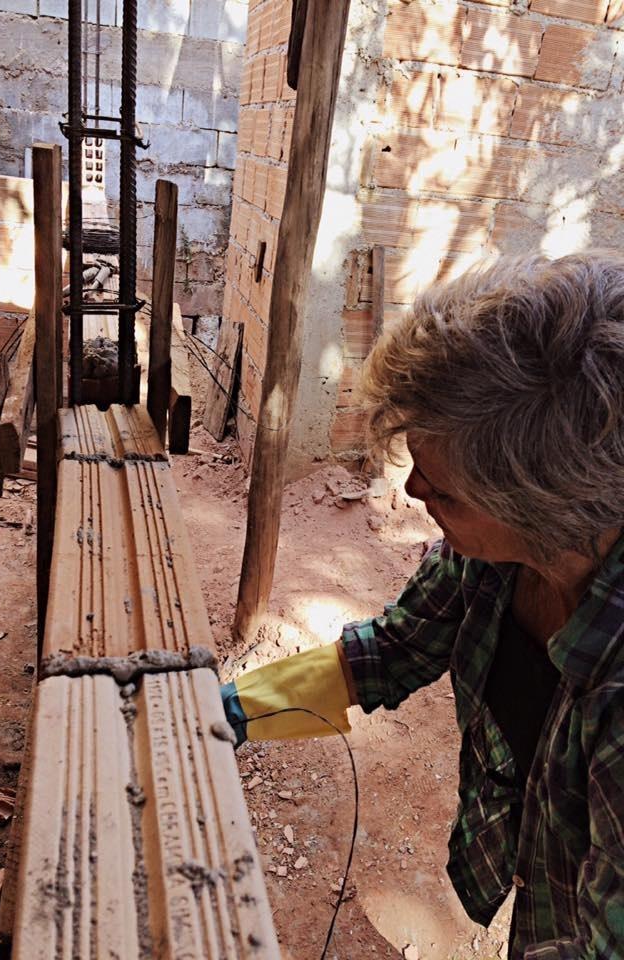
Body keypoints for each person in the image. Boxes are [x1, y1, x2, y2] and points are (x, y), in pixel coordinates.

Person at [221, 250, 624, 959]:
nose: (413, 493)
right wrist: (230, 709)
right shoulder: (491, 559)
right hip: (541, 874)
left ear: (541, 505)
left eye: (445, 491)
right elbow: (397, 648)